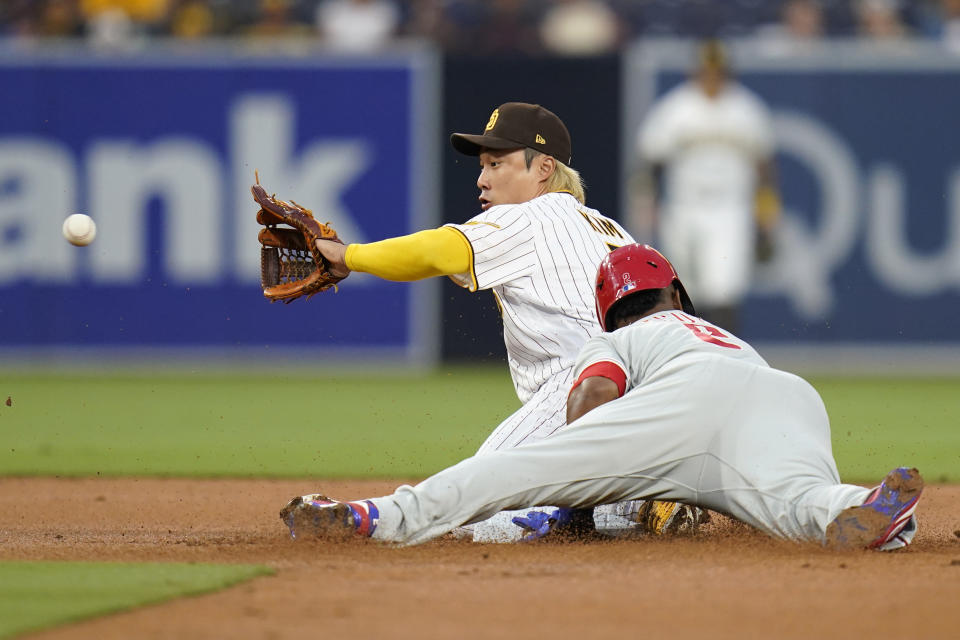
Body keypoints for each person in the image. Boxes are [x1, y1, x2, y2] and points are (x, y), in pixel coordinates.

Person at [280, 243, 924, 551]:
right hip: (786, 397)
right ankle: (873, 515)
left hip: (684, 403)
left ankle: (378, 518)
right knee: (797, 502)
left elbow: (591, 396)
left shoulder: (622, 335)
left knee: (510, 473)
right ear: (674, 291)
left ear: (609, 307)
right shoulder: (711, 329)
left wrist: (578, 484)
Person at [310, 101, 704, 542]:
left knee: (476, 500)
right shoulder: (607, 226)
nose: (482, 178)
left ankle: (368, 523)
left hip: (585, 387)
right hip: (660, 387)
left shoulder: (528, 217)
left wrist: (349, 256)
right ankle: (649, 496)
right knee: (544, 492)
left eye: (497, 163)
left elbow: (437, 251)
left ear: (543, 168)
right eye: (482, 165)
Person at [634, 40, 780, 336]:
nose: (712, 77)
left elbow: (765, 170)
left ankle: (726, 359)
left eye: (718, 71)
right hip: (684, 208)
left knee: (723, 288)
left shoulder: (746, 109)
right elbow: (650, 162)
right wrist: (645, 204)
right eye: (707, 71)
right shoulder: (677, 109)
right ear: (696, 72)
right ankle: (686, 359)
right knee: (684, 289)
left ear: (727, 73)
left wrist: (766, 218)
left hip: (730, 209)